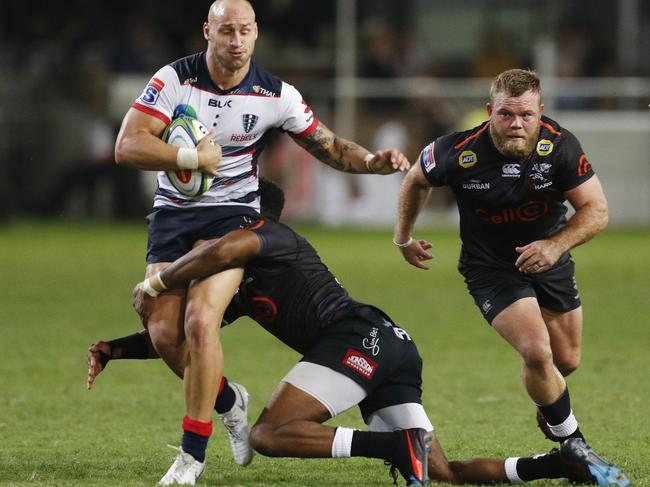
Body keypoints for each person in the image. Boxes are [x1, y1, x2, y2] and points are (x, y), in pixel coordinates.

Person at [89, 179, 623, 486]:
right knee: (444, 473)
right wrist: (115, 348)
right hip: (388, 344)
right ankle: (555, 464)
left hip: (358, 338)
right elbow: (193, 337)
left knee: (269, 435)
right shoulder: (239, 287)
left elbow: (222, 249)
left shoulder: (265, 235)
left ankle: (391, 447)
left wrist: (157, 279)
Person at [113, 0, 409, 480]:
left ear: (256, 33)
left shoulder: (275, 94)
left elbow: (330, 145)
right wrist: (189, 158)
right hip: (172, 216)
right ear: (207, 30)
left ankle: (191, 456)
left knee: (200, 320)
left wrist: (372, 162)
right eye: (226, 30)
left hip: (233, 217)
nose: (236, 40)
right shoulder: (174, 80)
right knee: (164, 333)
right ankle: (230, 401)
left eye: (245, 30)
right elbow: (127, 146)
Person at [393, 69, 628, 486]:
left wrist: (555, 247)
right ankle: (575, 446)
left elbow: (597, 210)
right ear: (490, 112)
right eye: (506, 115)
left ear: (540, 112)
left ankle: (549, 406)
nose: (515, 124)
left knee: (565, 361)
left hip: (549, 259)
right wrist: (403, 237)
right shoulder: (458, 150)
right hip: (491, 268)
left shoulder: (560, 146)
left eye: (525, 115)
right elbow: (415, 180)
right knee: (537, 352)